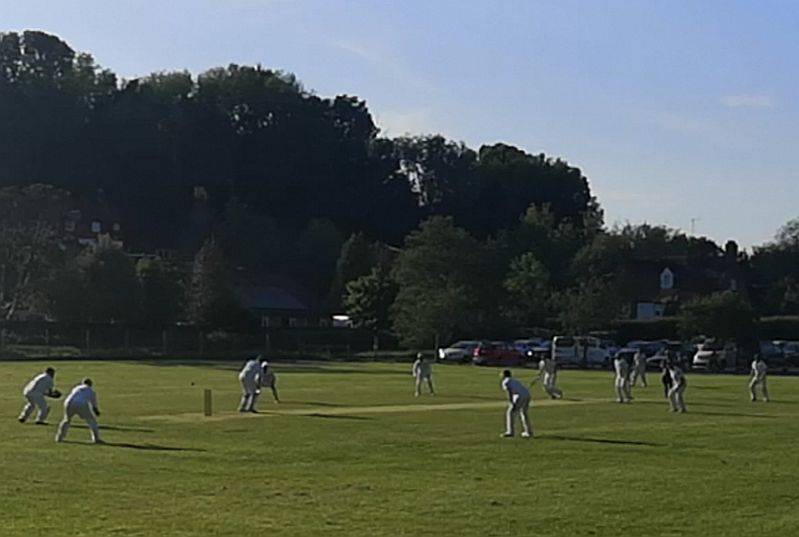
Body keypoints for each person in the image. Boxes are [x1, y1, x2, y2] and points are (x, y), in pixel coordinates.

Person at [55, 378, 102, 444]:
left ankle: (59, 437)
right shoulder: (91, 391)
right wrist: (96, 411)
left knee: (66, 420)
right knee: (92, 421)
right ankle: (96, 439)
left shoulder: (76, 387)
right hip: (81, 404)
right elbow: (93, 404)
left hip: (69, 402)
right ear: (90, 384)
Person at [500, 370, 532, 438]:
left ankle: (510, 432)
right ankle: (528, 432)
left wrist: (511, 403)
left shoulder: (505, 381)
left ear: (504, 375)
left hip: (519, 396)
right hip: (527, 395)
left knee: (510, 413)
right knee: (524, 413)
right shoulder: (515, 380)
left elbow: (509, 392)